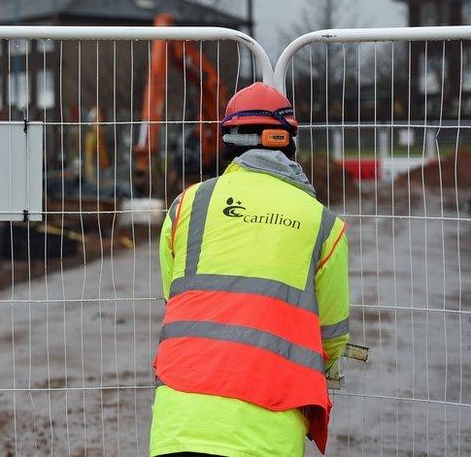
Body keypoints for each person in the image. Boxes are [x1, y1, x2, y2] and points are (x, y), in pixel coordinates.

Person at [149, 82, 350, 456]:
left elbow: (176, 297)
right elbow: (332, 337)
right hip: (268, 429)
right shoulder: (323, 225)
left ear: (227, 143)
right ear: (286, 142)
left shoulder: (186, 206)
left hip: (177, 423)